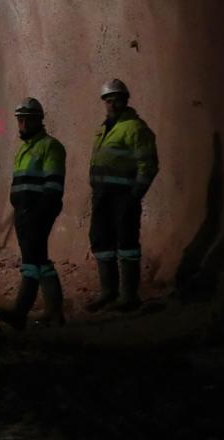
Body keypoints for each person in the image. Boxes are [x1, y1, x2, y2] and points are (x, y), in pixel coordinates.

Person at [88, 78, 159, 312]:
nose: (112, 104)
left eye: (117, 100)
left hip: (123, 197)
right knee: (102, 242)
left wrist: (135, 196)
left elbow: (147, 165)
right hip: (102, 196)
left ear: (126, 101)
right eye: (108, 100)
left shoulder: (136, 128)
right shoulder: (104, 128)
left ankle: (129, 296)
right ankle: (108, 292)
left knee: (127, 243)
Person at [0, 97, 65, 329]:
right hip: (24, 213)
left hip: (38, 212)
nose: (22, 125)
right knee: (39, 260)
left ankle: (20, 311)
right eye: (20, 120)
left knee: (31, 263)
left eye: (26, 120)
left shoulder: (50, 146)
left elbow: (53, 184)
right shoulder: (24, 149)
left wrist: (42, 211)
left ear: (38, 121)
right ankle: (54, 312)